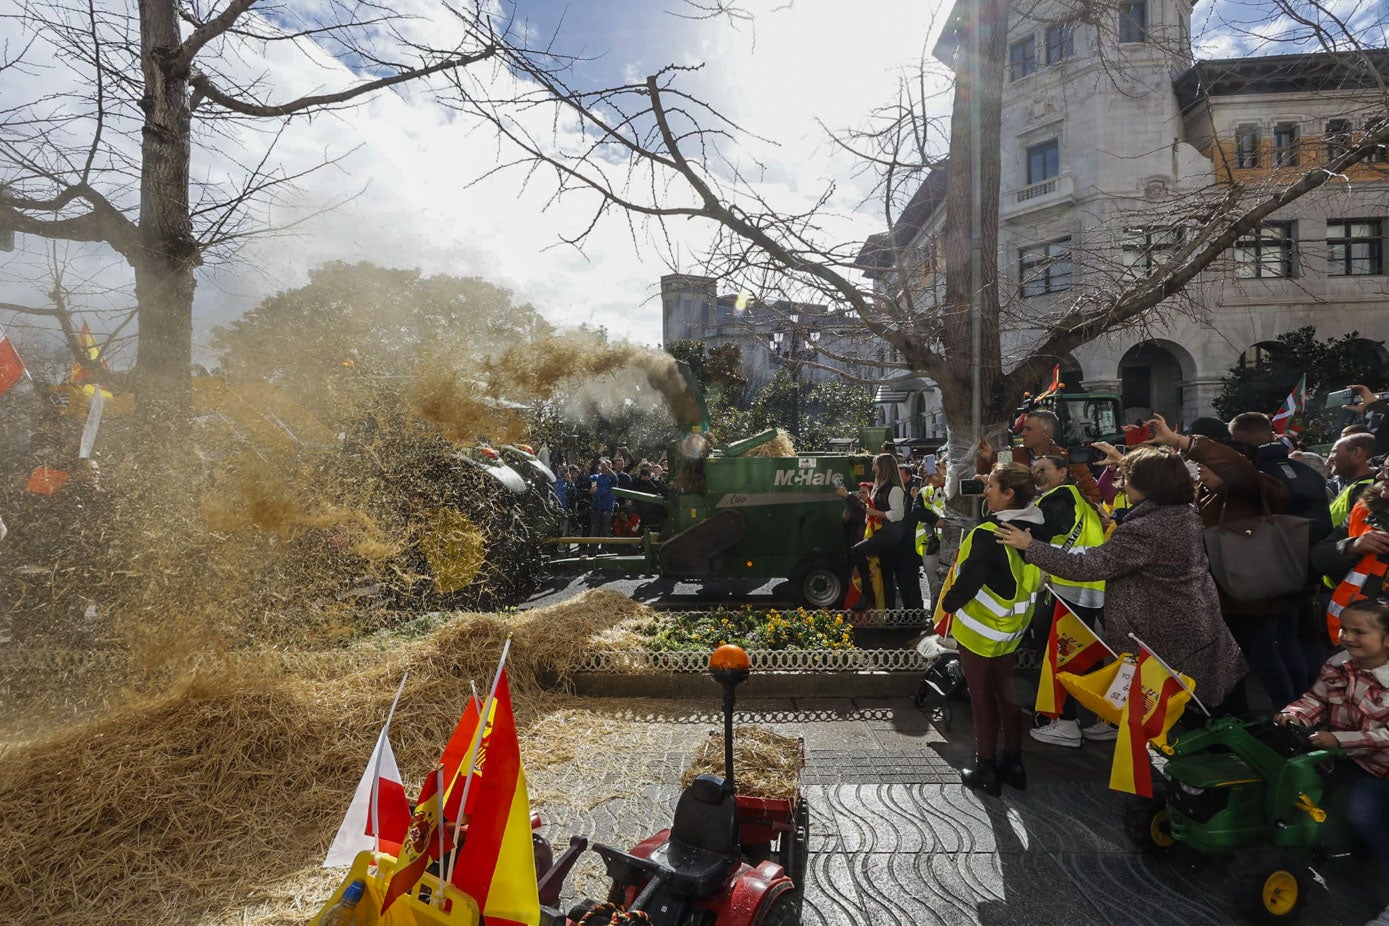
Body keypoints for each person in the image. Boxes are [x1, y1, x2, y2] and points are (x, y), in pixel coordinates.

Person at [997, 447, 1247, 713]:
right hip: (1193, 629)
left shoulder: (1147, 529)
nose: (1121, 486)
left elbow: (1089, 565)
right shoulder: (1179, 512)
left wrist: (1031, 546)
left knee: (1184, 720)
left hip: (1171, 640)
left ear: (1147, 484)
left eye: (1127, 479)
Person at [1146, 413, 1307, 710]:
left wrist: (1181, 441)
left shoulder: (1253, 488)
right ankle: (1235, 724)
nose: (1200, 470)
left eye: (1207, 464)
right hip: (1223, 597)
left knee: (1264, 660)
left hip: (1251, 598)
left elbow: (1236, 469)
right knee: (1231, 665)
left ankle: (1293, 723)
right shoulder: (1206, 494)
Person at [1275, 598, 1389, 921]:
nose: (1347, 636)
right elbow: (1316, 699)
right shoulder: (1338, 665)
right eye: (1344, 629)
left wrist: (1339, 739)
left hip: (1382, 768)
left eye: (1359, 631)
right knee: (1310, 796)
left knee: (1362, 814)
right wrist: (1293, 715)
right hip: (1344, 758)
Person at [942, 463, 1047, 797]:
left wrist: (947, 605)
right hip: (1012, 629)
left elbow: (969, 581)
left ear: (1009, 494)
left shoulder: (988, 533)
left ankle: (985, 767)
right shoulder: (1035, 529)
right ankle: (1014, 764)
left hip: (979, 631)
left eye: (991, 486)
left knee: (981, 698)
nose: (985, 491)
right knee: (1009, 695)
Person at [1027, 453, 1113, 747]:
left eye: (1044, 469)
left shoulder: (1058, 498)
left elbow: (1041, 531)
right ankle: (1106, 717)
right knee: (1085, 657)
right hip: (1087, 589)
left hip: (1061, 590)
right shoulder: (1078, 498)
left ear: (1063, 472)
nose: (1037, 473)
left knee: (1057, 655)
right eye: (1034, 469)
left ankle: (1064, 721)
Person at [975, 410, 1101, 504]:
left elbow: (1093, 495)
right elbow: (993, 476)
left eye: (1028, 429)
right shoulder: (1015, 455)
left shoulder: (1068, 460)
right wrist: (988, 457)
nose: (1023, 433)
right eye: (1023, 429)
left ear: (1046, 433)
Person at [846, 453, 909, 613]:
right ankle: (887, 611)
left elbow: (897, 514)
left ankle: (867, 595)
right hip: (883, 532)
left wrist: (876, 513)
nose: (874, 469)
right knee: (886, 574)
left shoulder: (895, 489)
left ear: (884, 468)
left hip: (889, 534)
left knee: (857, 551)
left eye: (876, 465)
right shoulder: (881, 487)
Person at [1327, 432, 1378, 528]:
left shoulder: (1365, 490)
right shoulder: (1354, 485)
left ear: (1356, 453)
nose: (1330, 458)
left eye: (1334, 452)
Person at [588, 458, 617, 541]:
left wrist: (606, 468)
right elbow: (587, 478)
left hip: (607, 509)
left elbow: (615, 480)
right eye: (603, 466)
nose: (604, 467)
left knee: (606, 531)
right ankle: (592, 550)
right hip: (596, 508)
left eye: (607, 466)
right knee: (594, 531)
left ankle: (604, 551)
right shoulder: (596, 477)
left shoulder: (612, 478)